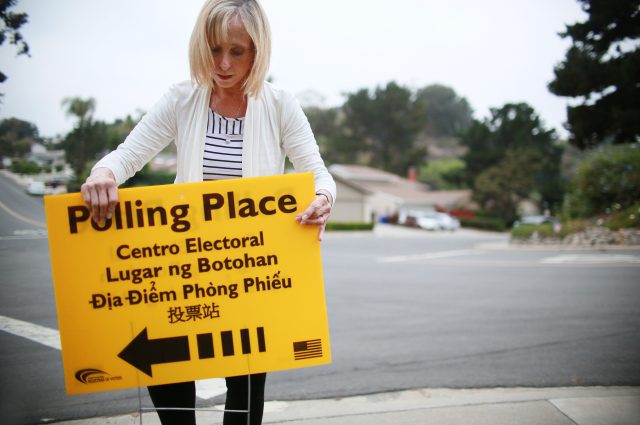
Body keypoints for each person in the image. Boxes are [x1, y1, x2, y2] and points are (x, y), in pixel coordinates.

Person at [80, 1, 336, 424]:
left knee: (245, 393)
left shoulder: (280, 105)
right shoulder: (182, 99)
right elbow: (127, 156)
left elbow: (319, 175)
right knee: (170, 378)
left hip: (249, 268)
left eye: (238, 51)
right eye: (215, 48)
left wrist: (323, 199)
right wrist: (103, 173)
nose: (223, 62)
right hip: (183, 267)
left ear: (258, 51)